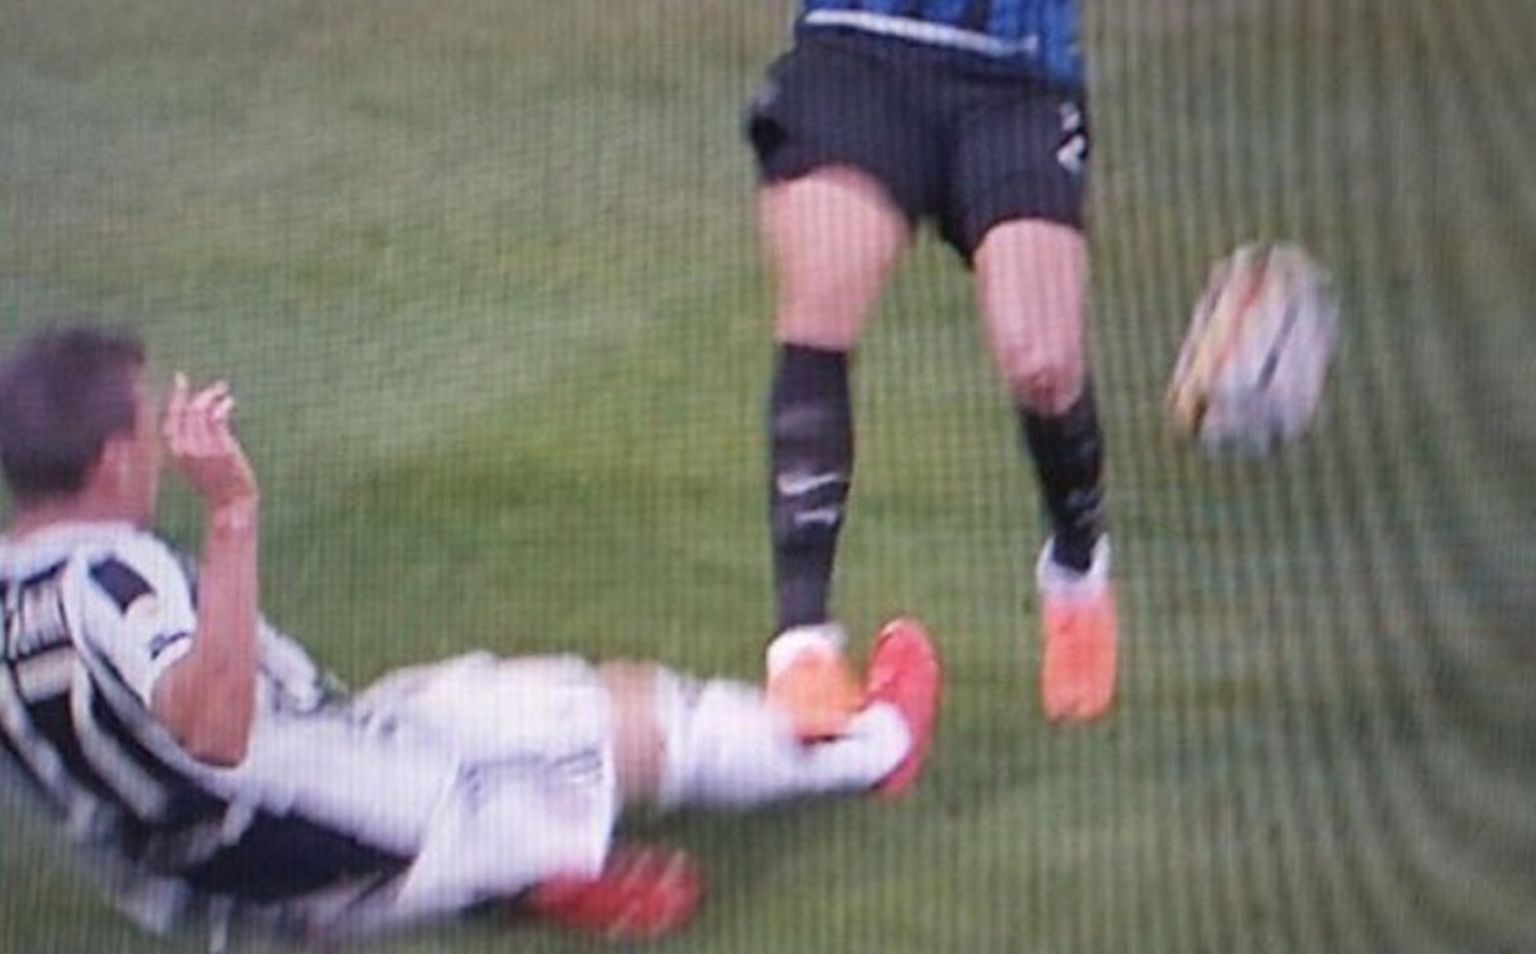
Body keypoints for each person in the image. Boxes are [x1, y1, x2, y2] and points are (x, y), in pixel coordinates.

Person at [0, 325, 941, 946]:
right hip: (339, 812)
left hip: (200, 893)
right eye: (147, 430)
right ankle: (875, 748)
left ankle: (525, 871)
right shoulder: (113, 576)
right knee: (619, 715)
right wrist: (231, 513)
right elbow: (214, 729)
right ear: (114, 459)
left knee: (462, 698)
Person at [746, 0, 1117, 732]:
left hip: (1014, 70)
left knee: (1043, 359)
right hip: (856, 46)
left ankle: (1077, 572)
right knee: (822, 301)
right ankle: (803, 644)